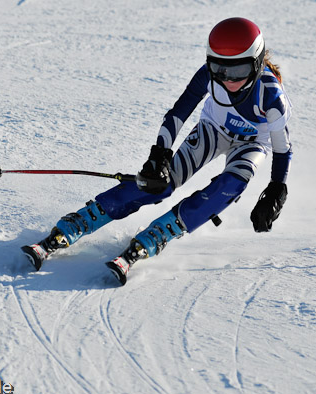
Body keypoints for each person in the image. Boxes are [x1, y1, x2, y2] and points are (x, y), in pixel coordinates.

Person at [22, 17, 293, 285]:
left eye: (238, 71)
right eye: (219, 69)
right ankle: (80, 222)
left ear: (257, 63)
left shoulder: (270, 96)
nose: (227, 80)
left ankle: (159, 234)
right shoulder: (208, 76)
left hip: (251, 143)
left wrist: (276, 189)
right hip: (214, 130)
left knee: (228, 187)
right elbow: (178, 114)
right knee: (159, 183)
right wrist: (159, 157)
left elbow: (283, 149)